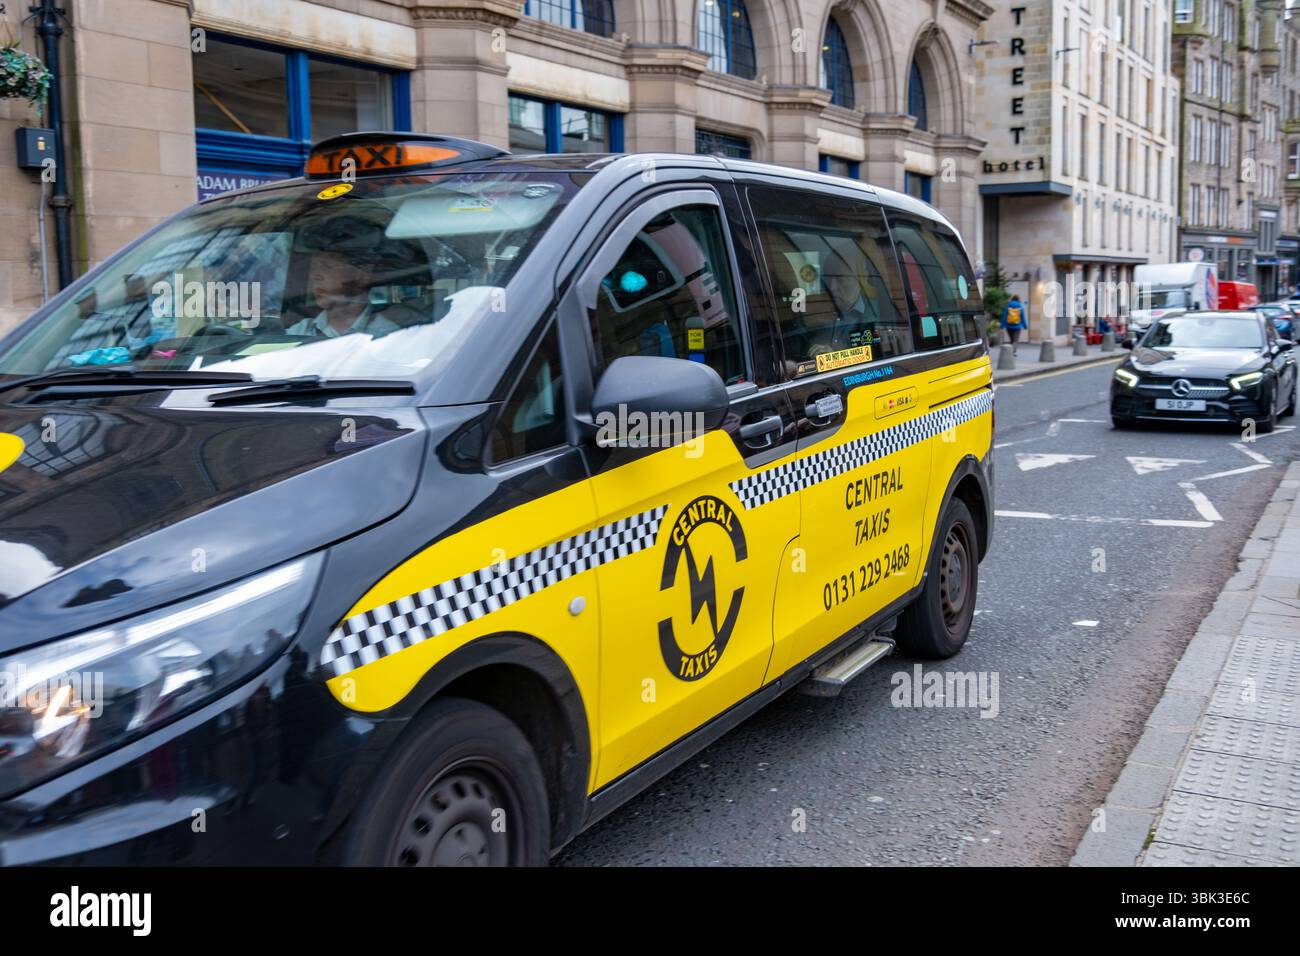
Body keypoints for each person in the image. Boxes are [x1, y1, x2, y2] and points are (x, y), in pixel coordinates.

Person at [287, 252, 400, 339]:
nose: (315, 276)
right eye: (313, 268)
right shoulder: (300, 331)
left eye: (328, 266)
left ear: (362, 275)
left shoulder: (387, 334)